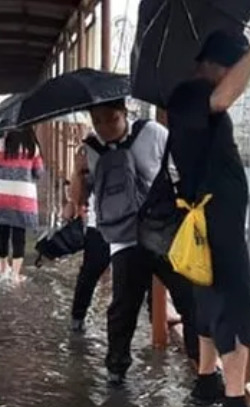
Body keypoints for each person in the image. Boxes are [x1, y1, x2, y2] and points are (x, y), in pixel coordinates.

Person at [166, 26, 250, 407]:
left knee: (207, 303)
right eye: (234, 68)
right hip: (214, 223)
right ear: (216, 65)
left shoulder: (193, 101)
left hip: (214, 219)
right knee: (234, 305)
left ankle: (207, 382)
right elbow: (223, 97)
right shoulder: (191, 96)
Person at [66, 99, 199, 384]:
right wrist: (78, 170)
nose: (103, 127)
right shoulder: (90, 150)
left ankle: (201, 366)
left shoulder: (153, 133)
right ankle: (116, 371)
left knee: (189, 297)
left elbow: (184, 169)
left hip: (163, 234)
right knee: (123, 307)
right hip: (123, 239)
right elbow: (78, 199)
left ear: (125, 113)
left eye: (110, 118)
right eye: (97, 121)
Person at [0, 127, 44, 283]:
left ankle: (3, 267)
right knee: (19, 236)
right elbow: (38, 172)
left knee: (2, 233)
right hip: (22, 197)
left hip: (2, 194)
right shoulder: (32, 147)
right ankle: (15, 275)